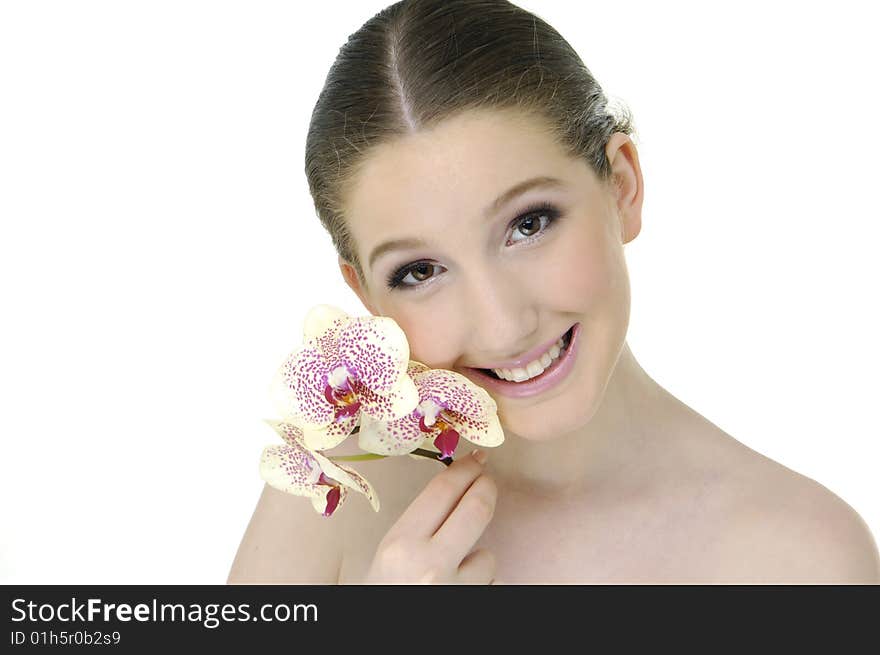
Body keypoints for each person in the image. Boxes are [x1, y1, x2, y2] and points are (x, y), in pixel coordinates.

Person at [227, 0, 880, 584]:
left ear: (621, 185)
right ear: (365, 294)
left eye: (527, 224)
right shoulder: (333, 492)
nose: (503, 324)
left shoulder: (805, 558)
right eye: (420, 271)